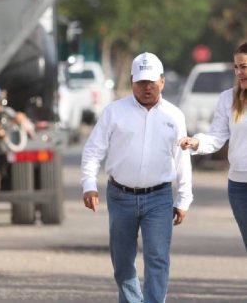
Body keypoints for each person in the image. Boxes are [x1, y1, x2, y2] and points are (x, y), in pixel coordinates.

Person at [80, 52, 193, 303]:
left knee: (158, 258)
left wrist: (184, 198)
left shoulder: (174, 116)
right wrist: (89, 184)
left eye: (152, 82)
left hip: (159, 197)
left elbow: (181, 158)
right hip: (121, 196)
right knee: (122, 262)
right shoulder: (114, 112)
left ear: (162, 82)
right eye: (141, 82)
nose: (147, 88)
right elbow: (93, 151)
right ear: (132, 81)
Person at [179, 41, 247, 251]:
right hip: (239, 186)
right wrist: (197, 142)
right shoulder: (228, 98)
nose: (238, 72)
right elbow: (217, 136)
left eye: (243, 66)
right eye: (236, 67)